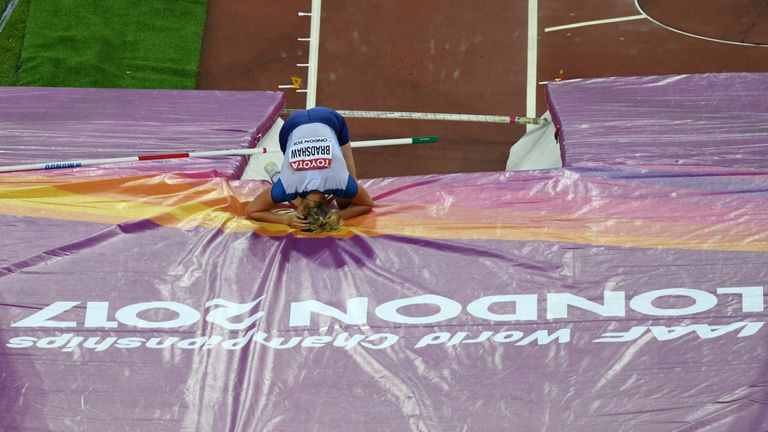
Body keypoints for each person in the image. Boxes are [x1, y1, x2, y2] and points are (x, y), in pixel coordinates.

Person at [246, 106, 374, 231]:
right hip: (301, 123)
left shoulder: (342, 184)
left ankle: (277, 176)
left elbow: (252, 210)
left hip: (308, 122)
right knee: (344, 203)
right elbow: (253, 211)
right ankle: (276, 175)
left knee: (346, 197)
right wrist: (286, 219)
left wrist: (287, 220)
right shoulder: (287, 187)